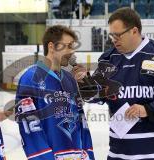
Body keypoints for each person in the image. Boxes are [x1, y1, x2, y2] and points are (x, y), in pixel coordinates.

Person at [73, 7, 154, 160]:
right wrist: (84, 82)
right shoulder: (108, 59)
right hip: (119, 153)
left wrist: (148, 109)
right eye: (111, 35)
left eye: (118, 35)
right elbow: (97, 95)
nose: (113, 39)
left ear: (134, 31)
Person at [15, 25, 95, 160]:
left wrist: (88, 154)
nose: (72, 51)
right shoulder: (30, 78)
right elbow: (29, 127)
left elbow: (81, 119)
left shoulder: (70, 79)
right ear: (51, 47)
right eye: (68, 46)